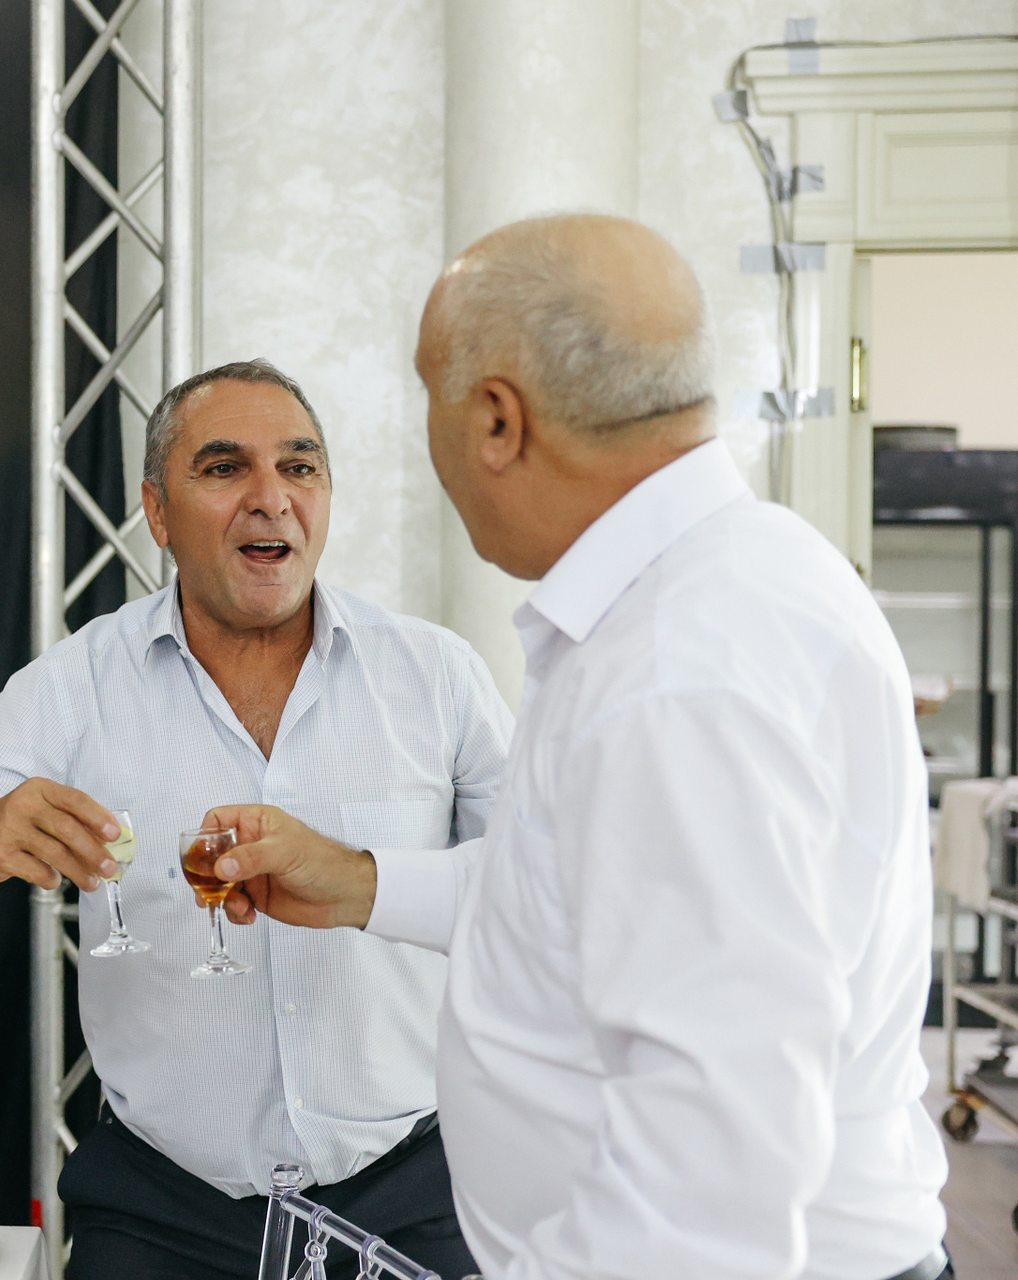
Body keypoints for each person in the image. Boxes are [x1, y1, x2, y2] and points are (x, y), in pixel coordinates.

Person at [206, 215, 951, 1280]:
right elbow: (586, 899)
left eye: (428, 398)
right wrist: (361, 882)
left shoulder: (679, 674)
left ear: (497, 420)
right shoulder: (730, 577)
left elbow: (710, 1182)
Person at [0, 360, 512, 1280]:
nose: (271, 498)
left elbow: (544, 905)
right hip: (163, 1212)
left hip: (409, 1197)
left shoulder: (437, 678)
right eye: (225, 467)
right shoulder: (78, 685)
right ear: (157, 514)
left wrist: (361, 879)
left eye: (299, 466)